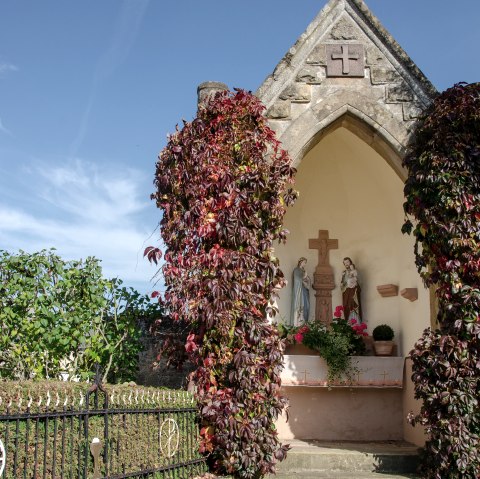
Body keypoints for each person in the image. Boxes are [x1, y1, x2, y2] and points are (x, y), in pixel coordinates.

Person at [340, 257, 362, 323]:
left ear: (350, 262)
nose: (346, 264)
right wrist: (342, 284)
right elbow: (342, 283)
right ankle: (348, 322)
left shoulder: (354, 270)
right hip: (346, 291)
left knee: (352, 303)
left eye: (347, 262)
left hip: (353, 290)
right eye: (345, 263)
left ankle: (356, 322)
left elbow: (355, 277)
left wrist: (352, 270)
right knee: (346, 305)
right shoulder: (344, 272)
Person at [290, 257, 311, 326]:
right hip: (299, 291)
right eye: (304, 262)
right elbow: (297, 280)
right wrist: (304, 277)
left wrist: (307, 280)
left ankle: (304, 323)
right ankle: (298, 323)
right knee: (300, 306)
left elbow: (308, 280)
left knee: (306, 305)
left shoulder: (304, 271)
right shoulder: (296, 270)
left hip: (305, 290)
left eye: (305, 263)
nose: (305, 264)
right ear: (300, 262)